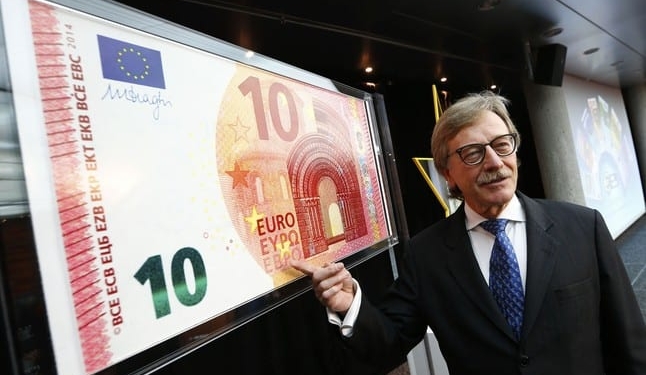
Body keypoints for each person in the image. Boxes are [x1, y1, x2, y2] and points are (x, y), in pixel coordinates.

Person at [291, 90, 646, 375]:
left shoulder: (584, 228)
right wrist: (350, 305)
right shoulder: (426, 255)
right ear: (448, 172)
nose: (494, 161)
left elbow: (629, 343)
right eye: (473, 153)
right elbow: (386, 347)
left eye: (502, 144)